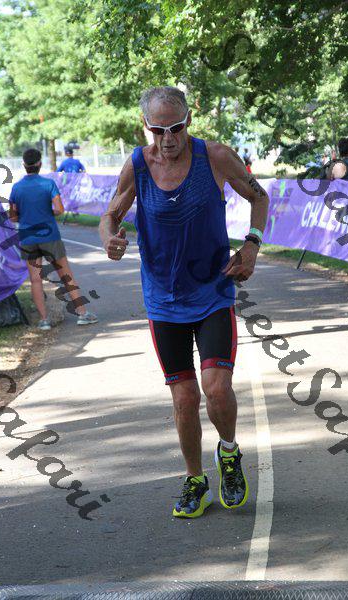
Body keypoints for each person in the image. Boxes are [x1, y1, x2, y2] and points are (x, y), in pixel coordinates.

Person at [100, 86, 268, 519]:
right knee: (184, 398)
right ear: (145, 126)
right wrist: (109, 238)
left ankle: (228, 453)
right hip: (163, 299)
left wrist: (251, 244)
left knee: (217, 388)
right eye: (158, 130)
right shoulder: (138, 164)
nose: (167, 138)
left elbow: (259, 196)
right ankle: (196, 480)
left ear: (188, 120)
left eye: (175, 128)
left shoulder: (216, 157)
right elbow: (111, 214)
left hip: (212, 292)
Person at [9, 148, 98, 330]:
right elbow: (59, 209)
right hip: (49, 235)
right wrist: (46, 212)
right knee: (65, 275)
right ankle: (82, 314)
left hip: (28, 237)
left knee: (35, 280)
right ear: (40, 164)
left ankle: (44, 320)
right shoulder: (48, 184)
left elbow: (13, 216)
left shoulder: (16, 188)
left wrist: (27, 216)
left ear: (24, 165)